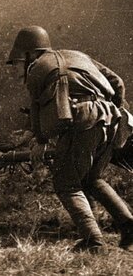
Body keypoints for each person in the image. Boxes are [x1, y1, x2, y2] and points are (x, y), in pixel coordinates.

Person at [7, 25, 133, 252]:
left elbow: (36, 111)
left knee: (66, 183)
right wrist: (114, 110)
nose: (15, 68)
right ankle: (128, 225)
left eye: (16, 62)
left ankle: (93, 242)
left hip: (83, 121)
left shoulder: (36, 69)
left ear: (30, 54)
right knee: (91, 178)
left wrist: (40, 140)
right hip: (111, 120)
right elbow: (118, 83)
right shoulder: (78, 56)